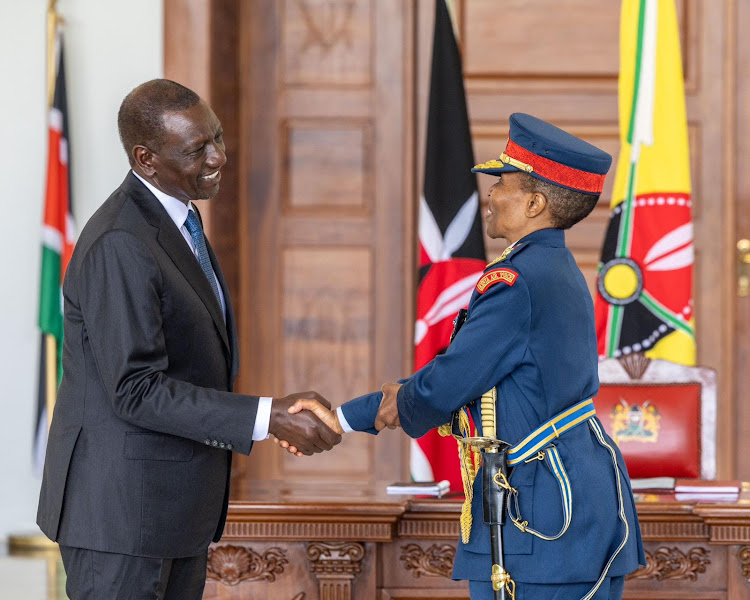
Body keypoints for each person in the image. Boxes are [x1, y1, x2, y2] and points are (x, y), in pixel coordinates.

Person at [284, 113, 646, 599]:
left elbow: (449, 383)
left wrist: (344, 418)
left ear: (535, 202)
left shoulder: (518, 283)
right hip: (571, 497)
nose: (490, 196)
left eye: (502, 184)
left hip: (543, 513)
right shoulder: (553, 268)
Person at [36, 79, 341, 600]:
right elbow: (136, 389)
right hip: (122, 524)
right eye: (197, 149)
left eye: (216, 137)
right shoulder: (121, 243)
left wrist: (275, 412)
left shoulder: (178, 219)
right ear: (146, 159)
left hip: (167, 516)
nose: (218, 156)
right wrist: (268, 417)